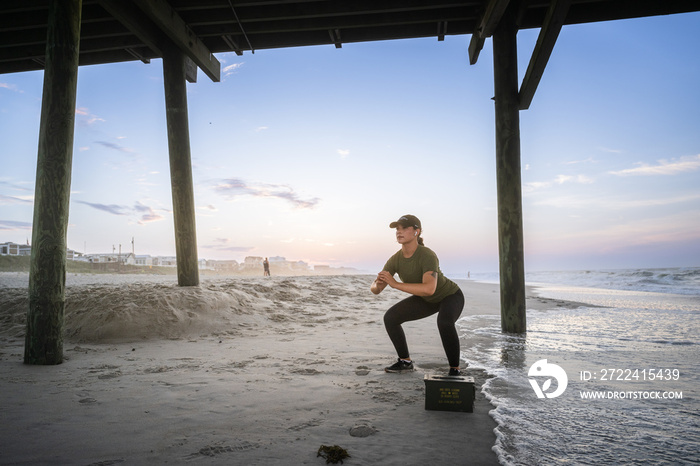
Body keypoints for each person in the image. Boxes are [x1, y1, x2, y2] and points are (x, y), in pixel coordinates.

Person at [371, 215, 465, 376]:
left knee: (444, 322)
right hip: (427, 300)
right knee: (391, 318)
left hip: (450, 296)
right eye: (397, 229)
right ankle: (405, 362)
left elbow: (429, 289)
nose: (399, 232)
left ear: (417, 232)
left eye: (405, 228)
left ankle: (455, 370)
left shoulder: (427, 255)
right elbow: (376, 289)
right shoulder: (395, 259)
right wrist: (377, 283)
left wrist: (395, 284)